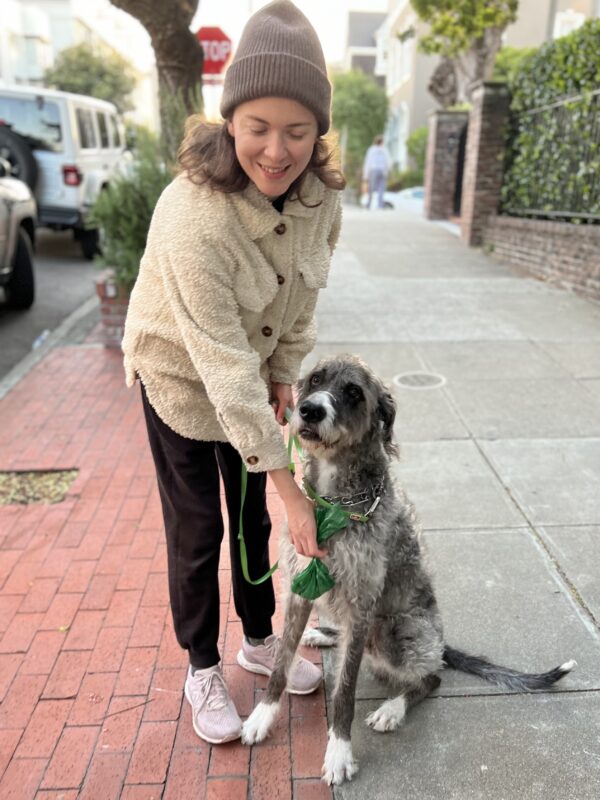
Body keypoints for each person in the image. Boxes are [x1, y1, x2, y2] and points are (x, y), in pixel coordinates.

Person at [121, 0, 344, 746]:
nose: (276, 151)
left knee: (250, 521)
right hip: (181, 378)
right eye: (257, 127)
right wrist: (296, 493)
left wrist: (286, 372)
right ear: (229, 123)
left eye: (297, 130)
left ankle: (258, 637)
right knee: (199, 528)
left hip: (245, 368)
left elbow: (303, 297)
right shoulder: (193, 215)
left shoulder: (322, 200)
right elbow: (219, 368)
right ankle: (200, 666)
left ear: (319, 133)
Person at [362, 134, 390, 209]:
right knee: (381, 188)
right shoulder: (385, 150)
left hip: (373, 170)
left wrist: (366, 175)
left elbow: (368, 162)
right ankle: (380, 205)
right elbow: (388, 161)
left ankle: (369, 204)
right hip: (382, 171)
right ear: (382, 142)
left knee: (371, 188)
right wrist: (387, 171)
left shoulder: (371, 149)